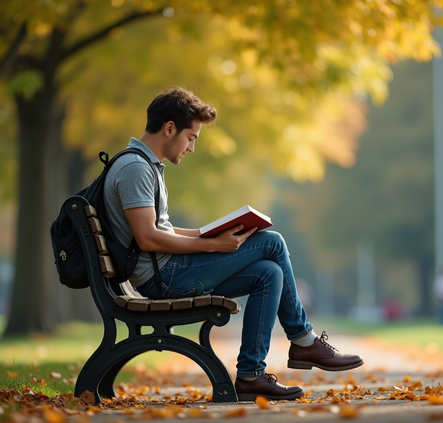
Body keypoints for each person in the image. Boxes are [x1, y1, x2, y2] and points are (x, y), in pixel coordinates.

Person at [103, 87, 363, 402]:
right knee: (272, 242)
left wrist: (205, 233)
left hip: (166, 270)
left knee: (269, 273)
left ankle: (251, 375)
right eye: (191, 137)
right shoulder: (135, 169)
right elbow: (148, 238)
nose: (191, 147)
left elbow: (161, 230)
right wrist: (214, 246)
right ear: (169, 128)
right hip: (164, 278)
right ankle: (303, 340)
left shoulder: (145, 165)